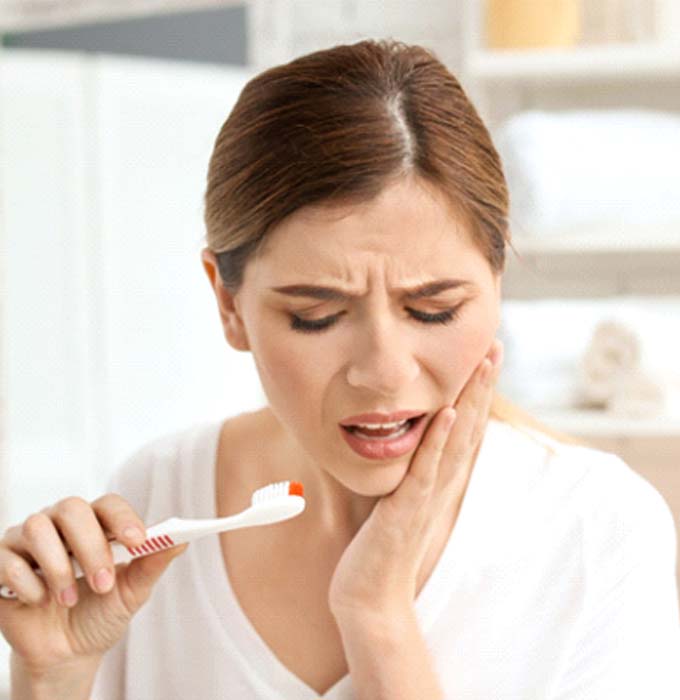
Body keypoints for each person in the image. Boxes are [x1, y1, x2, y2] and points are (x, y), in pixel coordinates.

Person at [1, 38, 679, 700]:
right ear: (228, 302)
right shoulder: (160, 501)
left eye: (435, 309)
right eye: (317, 316)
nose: (383, 372)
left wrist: (378, 620)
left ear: (497, 280)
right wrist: (53, 678)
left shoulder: (598, 532)